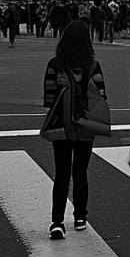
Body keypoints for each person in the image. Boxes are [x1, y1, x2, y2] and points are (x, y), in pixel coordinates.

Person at [42, 20, 108, 240]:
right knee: (80, 171)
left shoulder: (55, 64)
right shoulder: (93, 65)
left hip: (62, 125)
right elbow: (101, 96)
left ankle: (57, 222)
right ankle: (80, 217)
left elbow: (49, 98)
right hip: (85, 126)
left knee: (62, 173)